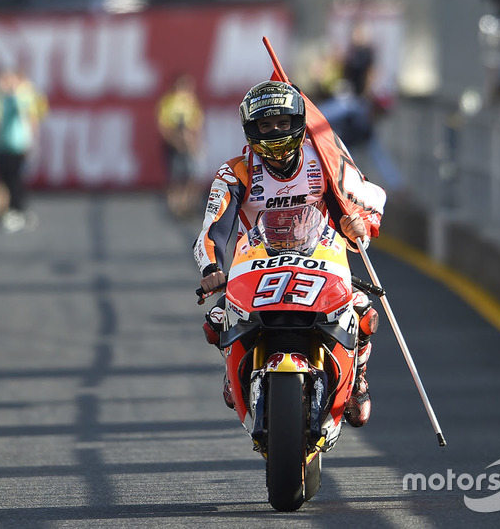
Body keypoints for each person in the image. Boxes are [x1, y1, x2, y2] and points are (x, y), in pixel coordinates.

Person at [194, 80, 383, 427]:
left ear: (298, 122)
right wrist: (211, 269)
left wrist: (359, 225)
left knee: (363, 309)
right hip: (256, 264)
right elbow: (214, 229)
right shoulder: (235, 171)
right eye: (265, 125)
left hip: (321, 258)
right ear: (251, 130)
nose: (275, 132)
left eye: (282, 123)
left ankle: (358, 378)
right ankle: (233, 367)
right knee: (217, 319)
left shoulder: (324, 159)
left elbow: (360, 200)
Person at [0, 68, 39, 233]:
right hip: (3, 145)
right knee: (6, 180)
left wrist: (31, 142)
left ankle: (18, 211)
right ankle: (13, 210)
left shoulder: (19, 98)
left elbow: (29, 115)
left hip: (18, 145)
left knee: (16, 180)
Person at [157, 73, 205, 218]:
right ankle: (176, 206)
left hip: (188, 144)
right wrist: (176, 141)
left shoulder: (191, 101)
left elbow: (197, 124)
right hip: (174, 144)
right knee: (177, 177)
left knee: (192, 176)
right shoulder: (169, 102)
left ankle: (188, 205)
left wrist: (196, 142)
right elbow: (164, 125)